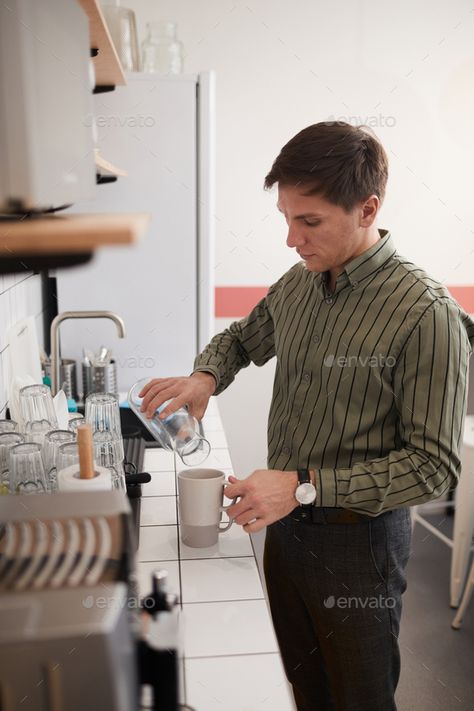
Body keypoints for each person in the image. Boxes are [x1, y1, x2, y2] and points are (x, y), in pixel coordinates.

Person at [139, 121, 474, 711]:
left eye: (310, 221)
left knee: (359, 698)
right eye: (287, 219)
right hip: (284, 525)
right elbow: (245, 337)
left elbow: (434, 469)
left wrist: (302, 486)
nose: (292, 239)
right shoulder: (301, 282)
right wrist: (205, 375)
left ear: (367, 208)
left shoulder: (426, 314)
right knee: (303, 689)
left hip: (359, 543)